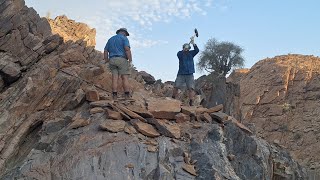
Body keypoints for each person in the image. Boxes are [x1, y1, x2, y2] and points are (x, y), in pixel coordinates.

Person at [104, 28, 132, 100]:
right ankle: (127, 96)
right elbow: (127, 49)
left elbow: (106, 50)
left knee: (114, 78)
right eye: (126, 34)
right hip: (122, 59)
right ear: (124, 32)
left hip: (112, 60)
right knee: (124, 77)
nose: (126, 35)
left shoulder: (110, 39)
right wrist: (130, 60)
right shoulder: (124, 38)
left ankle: (114, 95)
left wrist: (106, 60)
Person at [172, 38, 199, 106]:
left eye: (188, 48)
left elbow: (197, 50)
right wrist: (184, 50)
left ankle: (191, 101)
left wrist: (193, 43)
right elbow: (179, 55)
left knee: (191, 88)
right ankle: (173, 98)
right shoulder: (180, 53)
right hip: (181, 74)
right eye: (185, 48)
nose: (187, 49)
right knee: (176, 86)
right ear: (183, 48)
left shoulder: (191, 53)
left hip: (190, 74)